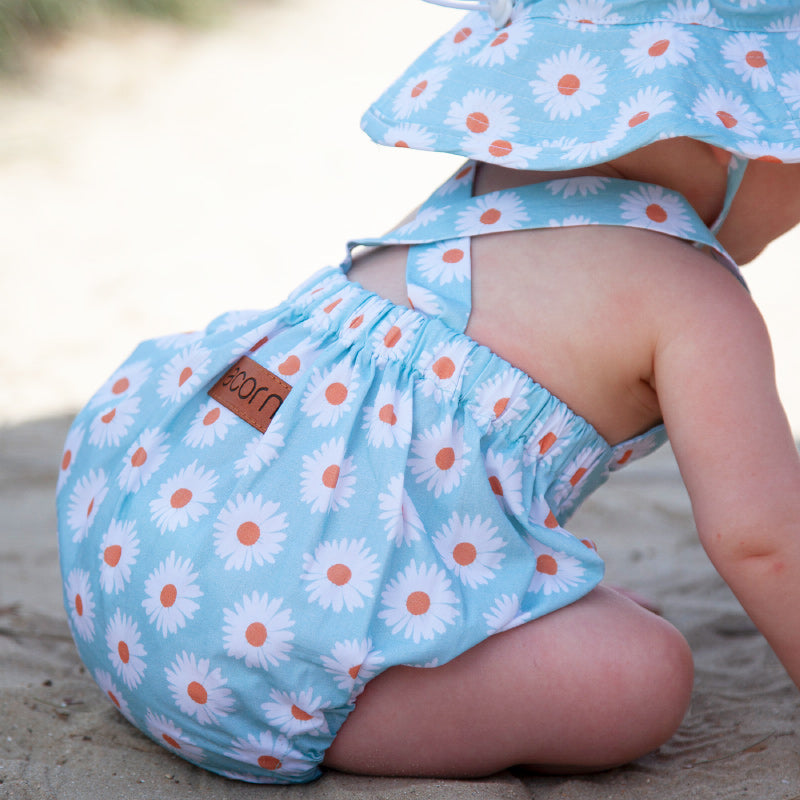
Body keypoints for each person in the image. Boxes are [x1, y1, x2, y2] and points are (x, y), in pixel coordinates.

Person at [55, 0, 800, 784]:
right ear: (737, 141)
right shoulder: (697, 297)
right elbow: (766, 539)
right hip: (261, 653)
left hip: (138, 569)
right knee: (641, 673)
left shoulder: (484, 186)